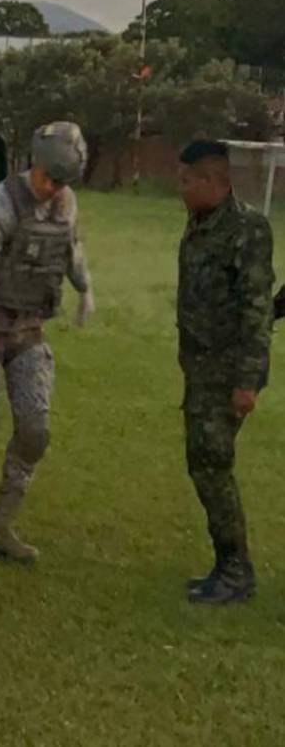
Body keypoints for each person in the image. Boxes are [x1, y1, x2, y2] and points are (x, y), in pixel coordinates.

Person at [0, 120, 94, 564]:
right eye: (49, 179)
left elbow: (70, 250)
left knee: (35, 431)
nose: (53, 188)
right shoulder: (3, 205)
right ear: (34, 165)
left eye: (62, 182)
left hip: (29, 330)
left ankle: (0, 528)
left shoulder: (65, 202)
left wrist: (85, 290)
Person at [176, 139, 272, 604]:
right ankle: (226, 566)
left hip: (228, 372)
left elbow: (257, 311)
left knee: (212, 467)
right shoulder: (200, 223)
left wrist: (247, 382)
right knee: (203, 464)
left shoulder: (247, 229)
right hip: (200, 368)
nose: (183, 189)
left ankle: (236, 571)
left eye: (191, 181)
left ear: (217, 182)